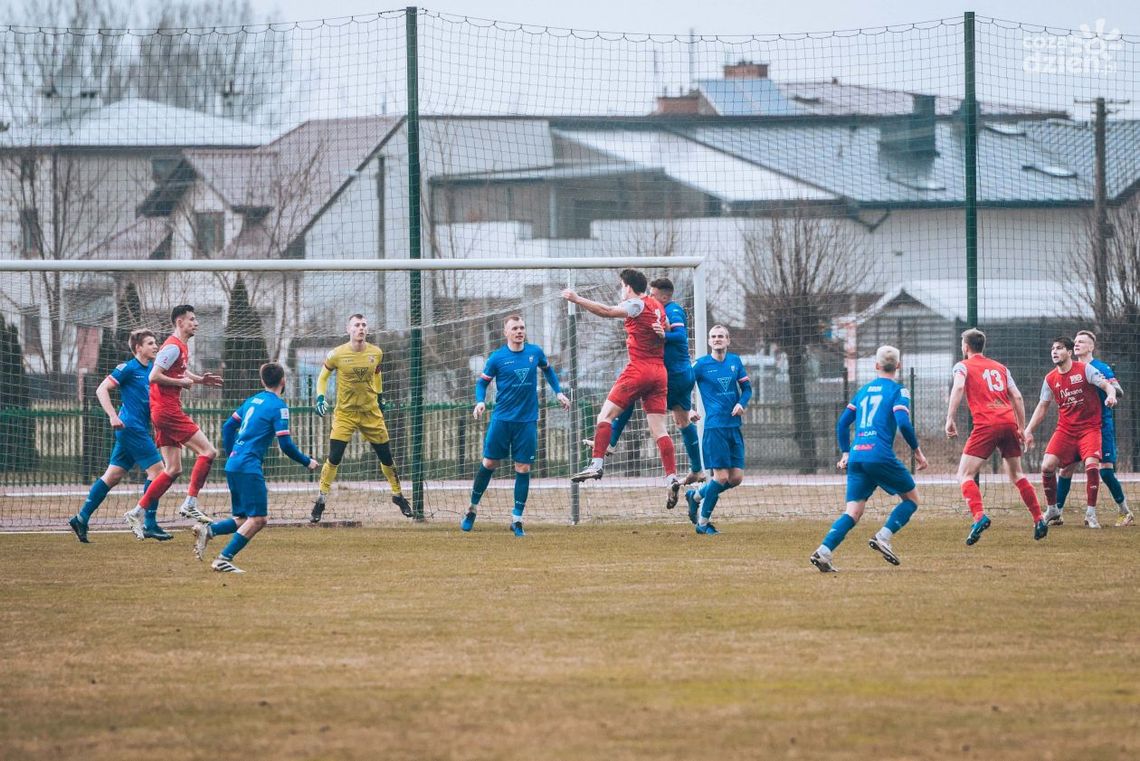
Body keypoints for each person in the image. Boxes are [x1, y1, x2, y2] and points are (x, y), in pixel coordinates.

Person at [562, 269, 680, 503]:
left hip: (639, 369)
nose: (620, 290)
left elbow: (606, 312)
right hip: (659, 373)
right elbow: (666, 327)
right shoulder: (656, 304)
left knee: (604, 416)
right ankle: (671, 477)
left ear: (627, 287)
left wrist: (577, 299)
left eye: (621, 286)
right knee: (660, 431)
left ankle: (596, 465)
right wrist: (662, 331)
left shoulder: (635, 304)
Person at [811, 346, 928, 572]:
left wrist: (845, 452)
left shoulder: (863, 391)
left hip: (857, 456)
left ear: (876, 366)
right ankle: (883, 537)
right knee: (912, 500)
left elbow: (843, 423)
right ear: (899, 366)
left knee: (852, 512)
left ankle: (824, 552)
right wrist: (917, 451)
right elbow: (903, 422)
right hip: (880, 455)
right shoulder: (899, 391)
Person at [193, 363, 318, 573]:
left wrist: (234, 451)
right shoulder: (279, 407)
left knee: (243, 518)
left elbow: (227, 426)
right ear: (283, 381)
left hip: (234, 464)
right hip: (248, 466)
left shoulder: (252, 400)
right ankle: (223, 559)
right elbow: (285, 444)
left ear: (262, 381)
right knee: (259, 519)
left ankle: (209, 530)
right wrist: (307, 461)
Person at [462, 315, 570, 536]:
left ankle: (517, 520)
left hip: (527, 421)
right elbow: (482, 382)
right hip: (502, 419)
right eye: (514, 328)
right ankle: (472, 509)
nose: (519, 331)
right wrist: (480, 401)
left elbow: (548, 370)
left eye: (522, 327)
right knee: (489, 462)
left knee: (523, 468)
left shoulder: (535, 352)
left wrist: (558, 392)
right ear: (506, 332)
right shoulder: (497, 358)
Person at [944, 328, 1048, 545]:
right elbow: (1017, 397)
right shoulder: (1001, 368)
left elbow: (959, 386)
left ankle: (979, 516)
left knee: (964, 475)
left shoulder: (962, 366)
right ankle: (1039, 519)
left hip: (986, 424)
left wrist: (950, 418)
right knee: (1017, 474)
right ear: (983, 346)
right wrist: (1021, 428)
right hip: (1008, 422)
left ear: (965, 347)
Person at [605, 278, 704, 502]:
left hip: (673, 375)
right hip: (676, 375)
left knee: (630, 394)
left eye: (652, 293)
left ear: (664, 296)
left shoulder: (672, 309)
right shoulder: (656, 309)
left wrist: (663, 334)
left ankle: (610, 443)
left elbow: (679, 335)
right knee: (682, 421)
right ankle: (697, 469)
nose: (647, 296)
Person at [127, 305, 223, 535]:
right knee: (208, 452)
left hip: (162, 411)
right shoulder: (171, 347)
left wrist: (200, 380)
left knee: (172, 469)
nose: (196, 323)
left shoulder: (180, 347)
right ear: (180, 322)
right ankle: (190, 503)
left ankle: (137, 512)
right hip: (168, 410)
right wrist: (182, 384)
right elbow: (154, 376)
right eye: (191, 319)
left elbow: (178, 372)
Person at [68, 329, 170, 543]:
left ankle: (81, 517)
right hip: (131, 428)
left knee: (112, 476)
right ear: (138, 348)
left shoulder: (152, 369)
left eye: (155, 342)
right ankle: (149, 523)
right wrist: (112, 415)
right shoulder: (128, 368)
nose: (155, 346)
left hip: (137, 429)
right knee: (159, 472)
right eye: (150, 343)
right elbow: (101, 389)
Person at [310, 313, 412, 522]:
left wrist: (380, 395)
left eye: (364, 325)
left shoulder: (376, 352)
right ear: (348, 329)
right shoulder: (336, 354)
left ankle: (397, 495)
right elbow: (322, 377)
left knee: (386, 456)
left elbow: (376, 374)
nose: (361, 328)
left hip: (370, 413)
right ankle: (321, 499)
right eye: (357, 325)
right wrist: (320, 398)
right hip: (345, 414)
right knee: (334, 457)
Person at [1024, 336, 1117, 529]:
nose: (1054, 352)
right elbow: (1042, 406)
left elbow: (1107, 385)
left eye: (1059, 348)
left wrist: (1111, 395)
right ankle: (1053, 509)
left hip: (1090, 428)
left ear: (1068, 352)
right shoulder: (1050, 378)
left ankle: (1091, 514)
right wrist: (1029, 430)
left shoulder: (1085, 370)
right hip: (1065, 430)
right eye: (1052, 349)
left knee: (1092, 466)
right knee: (1047, 467)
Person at [1051, 330, 1131, 527]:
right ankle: (1057, 513)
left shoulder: (1099, 367)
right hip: (1075, 428)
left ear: (1091, 347)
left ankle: (1125, 511)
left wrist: (1106, 390)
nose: (1077, 344)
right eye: (1075, 342)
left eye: (1082, 342)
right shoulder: (1070, 368)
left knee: (1104, 471)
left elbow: (1118, 389)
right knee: (1066, 469)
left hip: (1100, 426)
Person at [684, 325, 751, 535]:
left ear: (728, 340)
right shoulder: (701, 365)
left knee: (736, 478)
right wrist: (688, 410)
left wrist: (741, 403)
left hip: (734, 427)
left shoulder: (735, 361)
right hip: (714, 428)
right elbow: (682, 387)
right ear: (709, 341)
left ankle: (695, 496)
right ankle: (703, 524)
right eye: (713, 336)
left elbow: (747, 389)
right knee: (720, 477)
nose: (717, 339)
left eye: (721, 336)